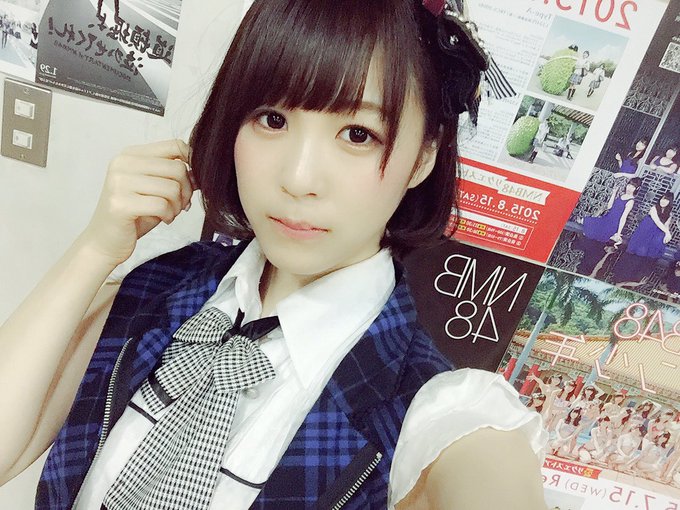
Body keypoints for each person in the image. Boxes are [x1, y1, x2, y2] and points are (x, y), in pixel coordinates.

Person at [0, 1, 547, 509]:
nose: (299, 178)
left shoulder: (432, 412)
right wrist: (95, 249)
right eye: (273, 119)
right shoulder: (157, 289)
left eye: (358, 134)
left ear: (423, 156)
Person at [581, 177, 640, 246]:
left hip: (612, 224)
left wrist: (618, 233)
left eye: (633, 187)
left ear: (637, 189)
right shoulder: (623, 195)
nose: (629, 188)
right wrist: (614, 193)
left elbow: (623, 218)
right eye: (629, 185)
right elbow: (609, 207)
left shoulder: (631, 201)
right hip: (606, 219)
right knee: (583, 221)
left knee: (587, 228)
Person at [626, 191, 674, 259]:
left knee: (648, 255)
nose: (663, 201)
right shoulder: (654, 208)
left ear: (670, 202)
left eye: (666, 200)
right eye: (662, 199)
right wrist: (667, 233)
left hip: (655, 233)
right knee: (638, 252)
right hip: (646, 231)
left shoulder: (669, 214)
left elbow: (666, 225)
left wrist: (667, 234)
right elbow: (657, 221)